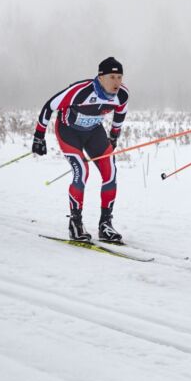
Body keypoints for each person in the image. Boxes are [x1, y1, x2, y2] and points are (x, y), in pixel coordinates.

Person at [31, 56, 129, 243]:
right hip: (69, 132)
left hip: (94, 133)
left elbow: (120, 113)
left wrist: (114, 135)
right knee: (82, 171)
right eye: (112, 77)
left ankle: (105, 224)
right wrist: (39, 136)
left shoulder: (122, 94)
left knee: (111, 171)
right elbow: (49, 106)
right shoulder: (81, 91)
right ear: (100, 78)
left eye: (119, 77)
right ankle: (75, 223)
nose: (116, 82)